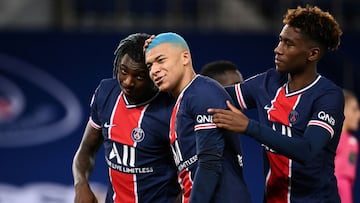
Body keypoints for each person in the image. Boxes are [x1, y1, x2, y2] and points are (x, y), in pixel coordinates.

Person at [208, 5, 344, 202]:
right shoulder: (268, 82)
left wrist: (248, 127)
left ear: (312, 54)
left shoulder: (328, 96)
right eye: (280, 40)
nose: (277, 49)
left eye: (289, 44)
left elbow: (307, 150)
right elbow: (217, 97)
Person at [72, 33, 180, 203]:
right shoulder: (105, 94)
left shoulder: (172, 109)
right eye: (123, 71)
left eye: (139, 76)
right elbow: (86, 150)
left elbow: (193, 173)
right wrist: (81, 185)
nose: (128, 82)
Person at [144, 32, 252, 203]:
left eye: (161, 60)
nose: (154, 70)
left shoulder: (202, 92)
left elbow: (209, 164)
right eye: (149, 66)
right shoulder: (183, 100)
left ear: (185, 57)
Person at [335, 89, 359, 203]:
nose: (359, 115)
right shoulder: (330, 139)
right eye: (354, 110)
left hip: (346, 193)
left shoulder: (352, 141)